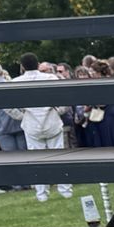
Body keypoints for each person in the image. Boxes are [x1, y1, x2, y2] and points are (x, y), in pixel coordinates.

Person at [11, 52, 74, 202]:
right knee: (59, 157)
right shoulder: (51, 78)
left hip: (33, 124)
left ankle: (42, 194)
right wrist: (59, 111)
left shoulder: (16, 82)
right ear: (38, 64)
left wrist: (21, 116)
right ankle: (65, 190)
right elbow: (67, 97)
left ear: (22, 66)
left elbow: (7, 106)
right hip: (50, 121)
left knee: (37, 160)